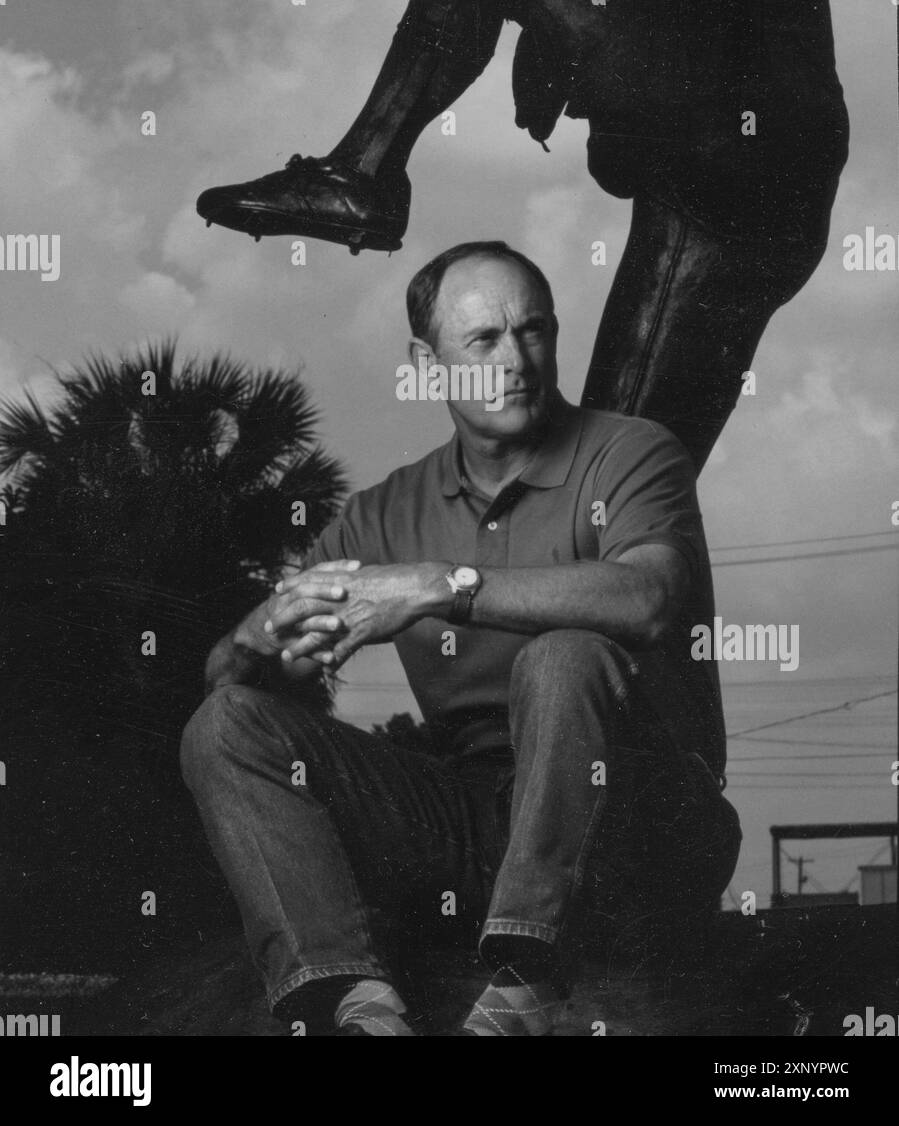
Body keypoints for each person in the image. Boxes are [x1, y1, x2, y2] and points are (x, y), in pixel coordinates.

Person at [195, 0, 849, 471]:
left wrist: (639, 27)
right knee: (611, 480)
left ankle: (362, 177)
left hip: (758, 140)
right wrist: (583, 66)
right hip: (716, 217)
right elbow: (619, 138)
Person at [180, 241, 742, 1037]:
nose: (515, 360)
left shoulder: (630, 450)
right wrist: (259, 637)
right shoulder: (384, 511)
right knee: (227, 724)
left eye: (534, 331)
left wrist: (442, 584)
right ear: (428, 360)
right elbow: (228, 676)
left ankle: (529, 977)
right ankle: (354, 1001)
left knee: (563, 653)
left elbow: (648, 596)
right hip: (476, 826)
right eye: (483, 340)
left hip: (639, 815)